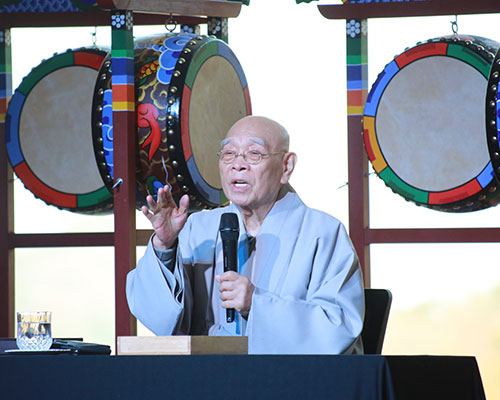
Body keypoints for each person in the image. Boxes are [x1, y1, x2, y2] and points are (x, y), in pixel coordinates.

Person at [126, 115, 364, 354]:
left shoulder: (322, 233)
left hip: (287, 384)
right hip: (205, 381)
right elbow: (159, 319)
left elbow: (338, 328)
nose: (237, 165)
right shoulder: (197, 229)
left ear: (286, 166)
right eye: (229, 153)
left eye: (254, 154)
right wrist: (164, 247)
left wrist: (256, 304)